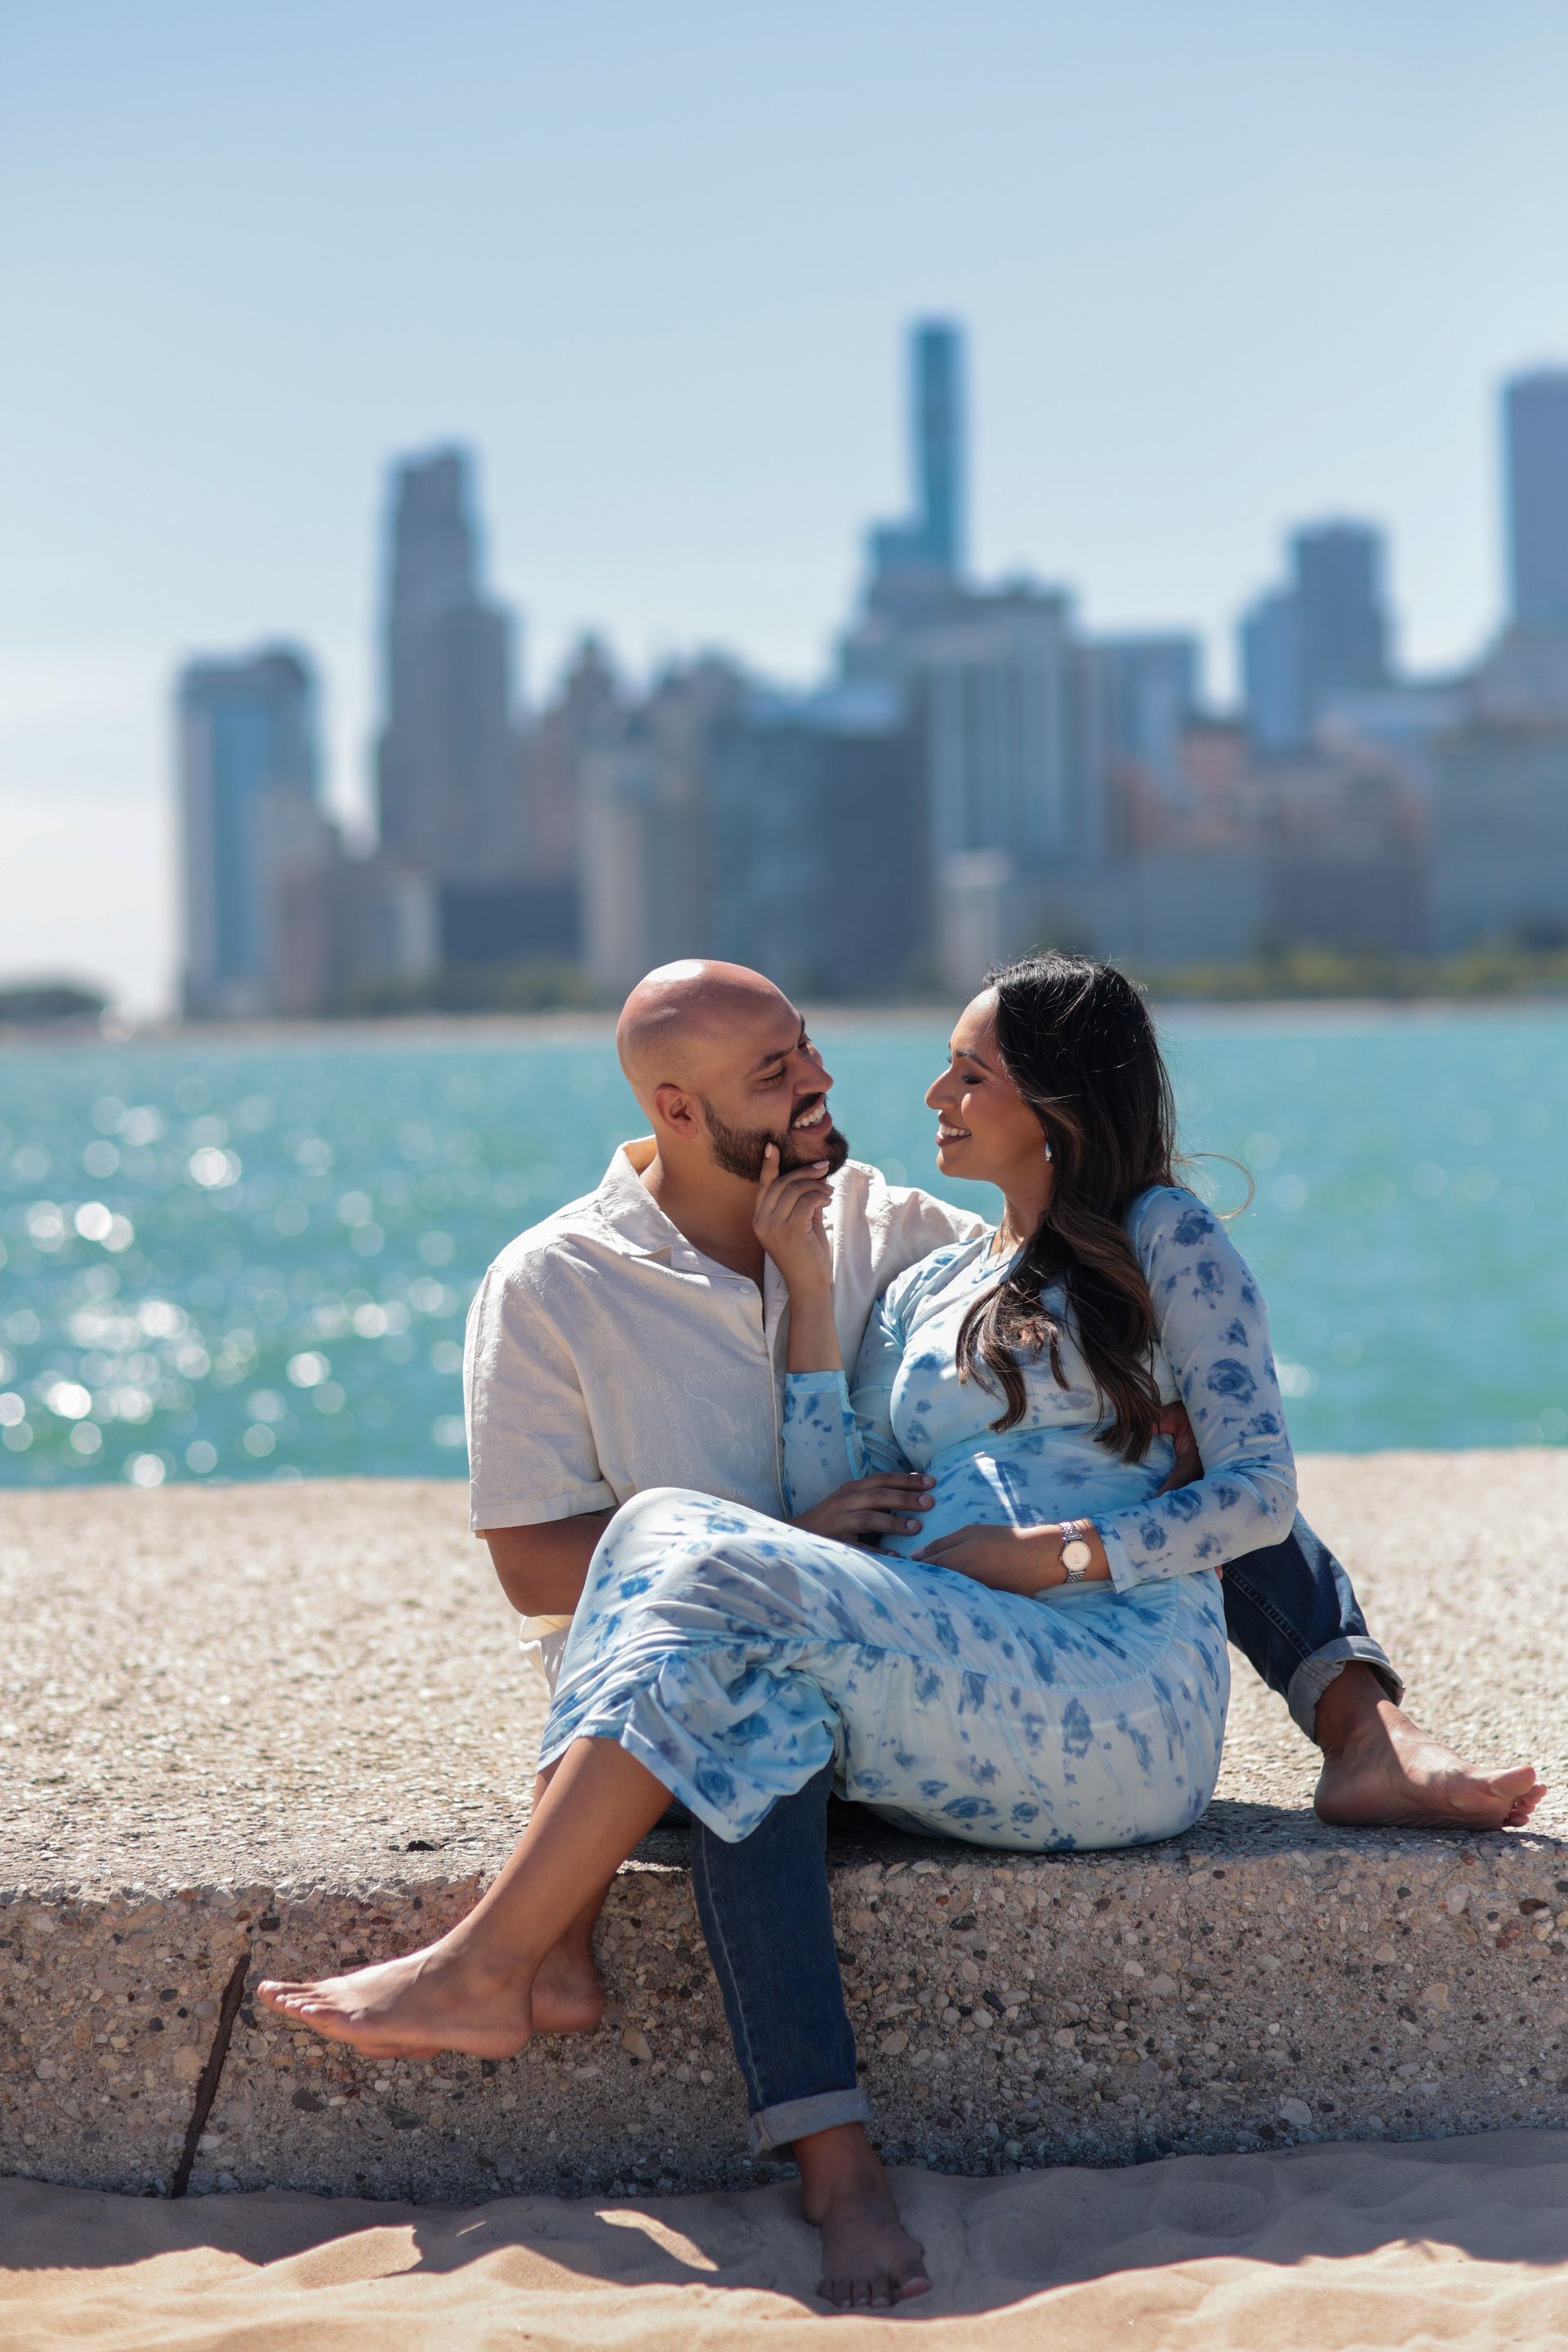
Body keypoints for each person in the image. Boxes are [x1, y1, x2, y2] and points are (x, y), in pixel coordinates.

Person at [260, 955, 1543, 2311]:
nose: (843, 1082)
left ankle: (507, 1954)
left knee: (686, 1541)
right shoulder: (688, 1280)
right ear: (680, 1112)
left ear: (1049, 1103)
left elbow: (1256, 1488)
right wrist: (808, 1303)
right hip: (896, 1669)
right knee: (726, 1640)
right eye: (778, 1071)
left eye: (957, 1070)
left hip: (1091, 1680)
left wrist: (1067, 1545)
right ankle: (832, 2168)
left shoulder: (1084, 1231)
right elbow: (659, 1535)